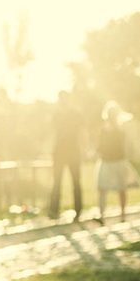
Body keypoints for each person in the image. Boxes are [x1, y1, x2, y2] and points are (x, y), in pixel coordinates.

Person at [95, 100, 140, 224]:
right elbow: (99, 146)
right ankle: (101, 215)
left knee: (121, 188)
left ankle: (123, 214)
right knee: (102, 188)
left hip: (119, 161)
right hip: (105, 161)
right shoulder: (103, 130)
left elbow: (125, 145)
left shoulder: (121, 130)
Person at [47, 90, 83, 221]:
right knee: (56, 181)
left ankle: (78, 210)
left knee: (76, 181)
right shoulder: (57, 115)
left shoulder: (76, 114)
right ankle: (53, 210)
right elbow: (53, 133)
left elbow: (81, 132)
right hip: (59, 152)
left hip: (73, 151)